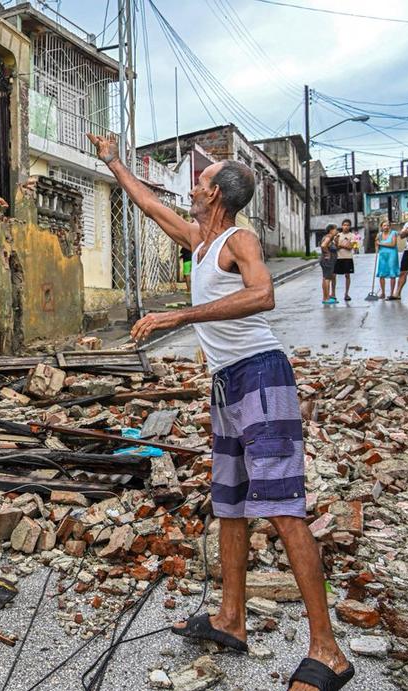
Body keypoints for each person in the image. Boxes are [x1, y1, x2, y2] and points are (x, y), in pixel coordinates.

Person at [86, 132, 354, 691]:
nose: (190, 187)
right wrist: (113, 160)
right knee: (230, 505)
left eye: (200, 182)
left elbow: (263, 295)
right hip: (227, 384)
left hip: (262, 376)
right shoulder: (199, 239)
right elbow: (147, 202)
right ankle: (231, 618)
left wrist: (181, 318)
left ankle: (327, 652)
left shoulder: (240, 238)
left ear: (216, 196)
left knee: (283, 507)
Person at [376, 221, 399, 300]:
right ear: (381, 226)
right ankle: (383, 293)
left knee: (392, 273)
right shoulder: (379, 235)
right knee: (382, 273)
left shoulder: (394, 233)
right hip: (382, 255)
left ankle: (392, 293)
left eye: (388, 225)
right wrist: (376, 245)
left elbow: (393, 244)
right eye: (384, 225)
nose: (386, 227)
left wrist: (380, 243)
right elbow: (377, 245)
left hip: (392, 255)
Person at [333, 219, 355, 301]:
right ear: (342, 226)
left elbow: (350, 247)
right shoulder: (337, 235)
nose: (346, 226)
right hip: (338, 258)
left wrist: (341, 245)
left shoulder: (352, 236)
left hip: (348, 258)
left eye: (348, 225)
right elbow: (335, 247)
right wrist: (345, 244)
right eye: (344, 225)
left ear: (349, 226)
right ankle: (333, 294)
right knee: (334, 275)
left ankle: (346, 294)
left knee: (347, 275)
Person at [318, 224, 338, 305]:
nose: (336, 231)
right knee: (327, 278)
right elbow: (323, 245)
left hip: (327, 261)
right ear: (331, 230)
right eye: (335, 229)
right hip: (327, 261)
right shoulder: (329, 236)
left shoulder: (330, 237)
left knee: (326, 278)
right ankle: (326, 299)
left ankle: (326, 297)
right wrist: (327, 254)